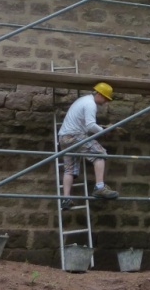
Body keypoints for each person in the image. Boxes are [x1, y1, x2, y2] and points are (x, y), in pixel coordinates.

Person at [57, 82, 119, 210]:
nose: (106, 101)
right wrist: (105, 131)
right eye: (106, 98)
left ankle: (66, 199)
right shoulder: (91, 104)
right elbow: (90, 125)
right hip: (74, 136)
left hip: (64, 137)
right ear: (99, 94)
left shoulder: (83, 100)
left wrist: (102, 128)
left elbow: (85, 124)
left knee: (69, 169)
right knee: (100, 154)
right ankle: (99, 187)